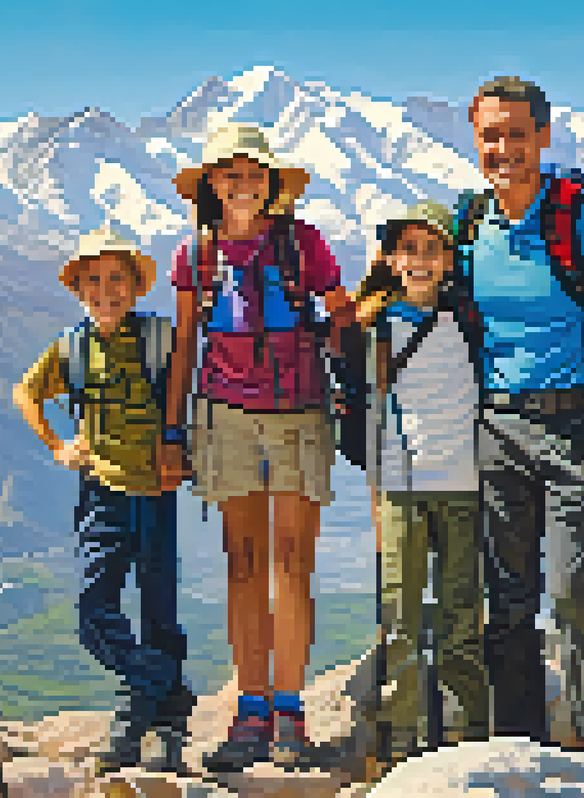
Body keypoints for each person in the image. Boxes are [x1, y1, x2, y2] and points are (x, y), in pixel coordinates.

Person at [455, 77, 584, 757]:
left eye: (516, 133)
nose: (503, 148)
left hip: (580, 429)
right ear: (474, 141)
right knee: (505, 602)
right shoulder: (471, 223)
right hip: (498, 429)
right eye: (489, 135)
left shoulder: (582, 215)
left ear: (543, 135)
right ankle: (519, 752)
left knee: (572, 595)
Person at [164, 124, 354, 772]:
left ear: (271, 183)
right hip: (225, 418)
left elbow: (342, 311)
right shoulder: (196, 254)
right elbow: (186, 343)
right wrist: (174, 430)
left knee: (293, 562)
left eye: (253, 172)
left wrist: (342, 344)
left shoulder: (303, 245)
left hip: (300, 414)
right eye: (229, 172)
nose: (242, 182)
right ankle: (251, 708)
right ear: (211, 185)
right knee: (243, 562)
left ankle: (289, 708)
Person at [12, 229, 195, 774]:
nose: (105, 289)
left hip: (157, 495)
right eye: (93, 279)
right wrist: (57, 445)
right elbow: (27, 391)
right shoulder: (70, 347)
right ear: (78, 288)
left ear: (137, 286)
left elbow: (194, 389)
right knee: (95, 614)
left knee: (160, 612)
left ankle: (153, 726)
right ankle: (159, 692)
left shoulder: (162, 338)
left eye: (117, 277)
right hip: (102, 494)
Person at [351, 201, 489, 767]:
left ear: (451, 258)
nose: (420, 260)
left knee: (461, 610)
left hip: (463, 481)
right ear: (390, 258)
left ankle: (467, 734)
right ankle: (403, 737)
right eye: (408, 249)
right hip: (401, 482)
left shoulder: (470, 317)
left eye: (431, 248)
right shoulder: (377, 324)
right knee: (401, 613)